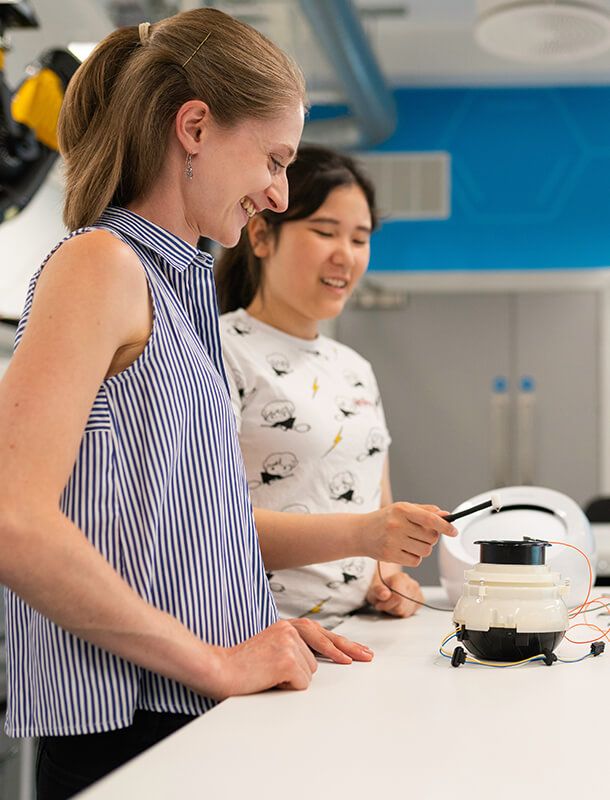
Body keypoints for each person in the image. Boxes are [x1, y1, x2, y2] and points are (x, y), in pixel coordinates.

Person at [0, 11, 380, 798]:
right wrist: (214, 659)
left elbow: (173, 522)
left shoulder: (181, 287)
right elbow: (13, 519)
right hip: (129, 727)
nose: (277, 192)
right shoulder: (100, 264)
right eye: (274, 160)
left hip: (186, 711)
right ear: (196, 127)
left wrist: (248, 621)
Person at [216, 145, 456, 630]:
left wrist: (389, 577)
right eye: (325, 232)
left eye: (360, 238)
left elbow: (377, 505)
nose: (345, 255)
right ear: (261, 235)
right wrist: (364, 535)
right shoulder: (220, 349)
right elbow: (209, 525)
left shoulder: (354, 368)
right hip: (262, 634)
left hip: (356, 632)